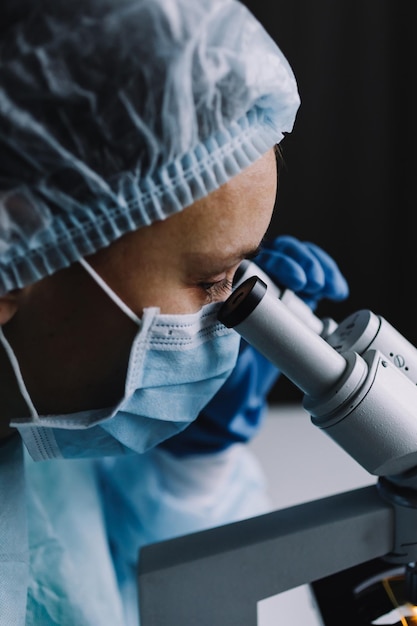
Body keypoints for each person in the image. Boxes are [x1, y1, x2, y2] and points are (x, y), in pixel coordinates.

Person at [0, 0, 349, 624]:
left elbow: (138, 595)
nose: (239, 310)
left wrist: (195, 470)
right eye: (214, 279)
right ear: (17, 256)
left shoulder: (47, 455)